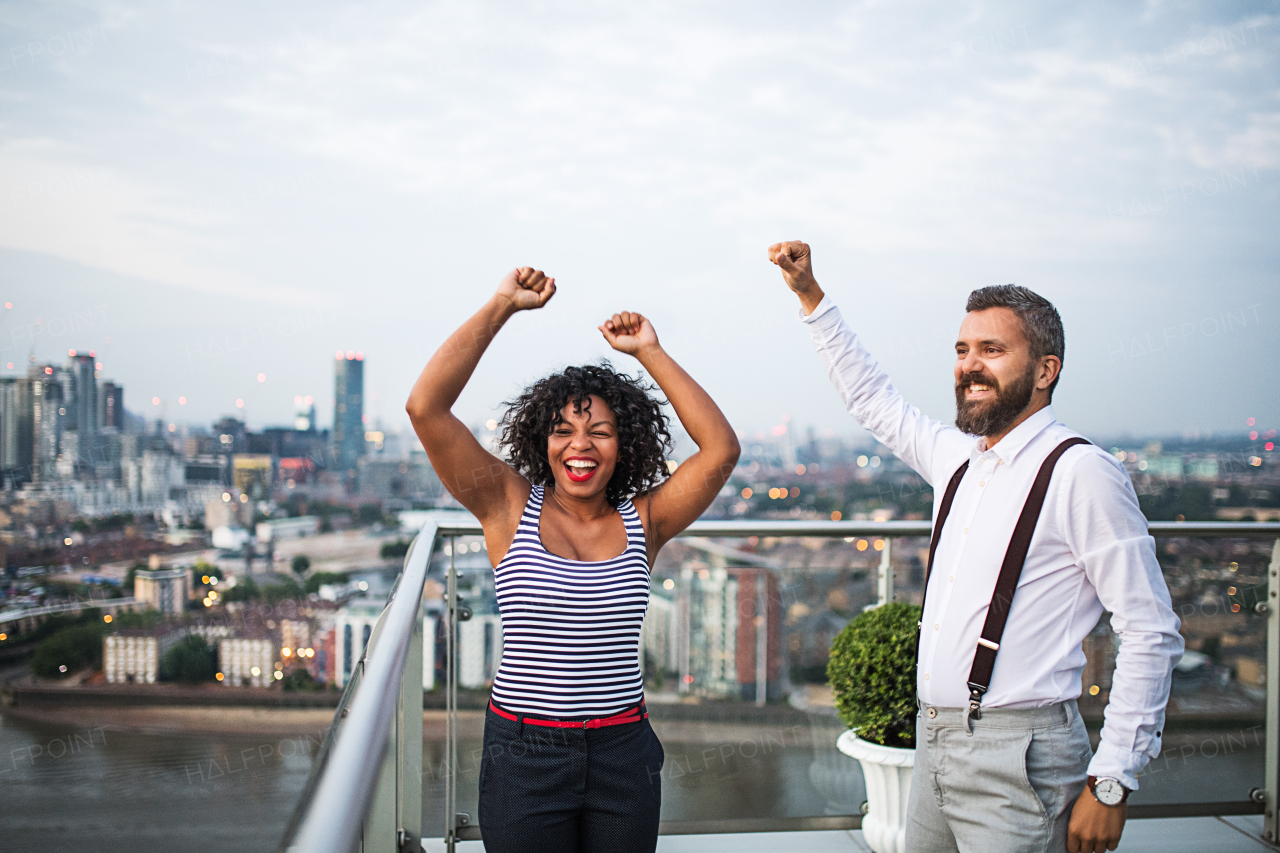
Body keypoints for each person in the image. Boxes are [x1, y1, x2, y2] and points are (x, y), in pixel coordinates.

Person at [767, 241, 1183, 853]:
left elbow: (1150, 629)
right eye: (963, 350)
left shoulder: (1079, 472)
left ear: (1046, 370)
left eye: (992, 350)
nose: (970, 365)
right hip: (933, 742)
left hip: (1020, 757)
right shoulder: (958, 459)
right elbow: (872, 399)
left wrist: (1113, 779)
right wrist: (810, 297)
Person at [405, 266, 740, 853]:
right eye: (563, 430)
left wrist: (650, 352)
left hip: (622, 754)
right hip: (525, 756)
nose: (580, 445)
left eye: (600, 432)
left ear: (625, 446)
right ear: (543, 440)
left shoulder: (647, 519)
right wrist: (502, 305)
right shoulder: (507, 506)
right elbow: (426, 408)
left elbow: (721, 448)